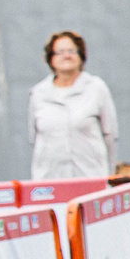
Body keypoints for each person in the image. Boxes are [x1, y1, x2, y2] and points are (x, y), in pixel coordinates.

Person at [29, 30, 119, 180]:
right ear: (50, 58)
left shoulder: (96, 88)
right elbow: (34, 138)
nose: (66, 56)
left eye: (72, 51)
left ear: (81, 56)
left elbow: (110, 135)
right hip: (50, 182)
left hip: (90, 178)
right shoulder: (38, 93)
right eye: (60, 52)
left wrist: (106, 173)